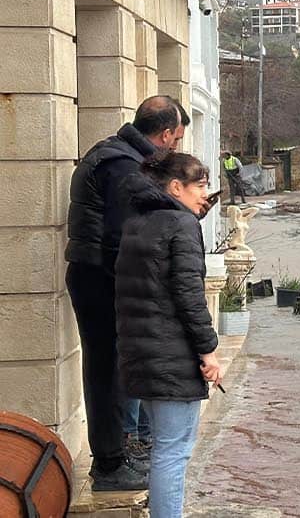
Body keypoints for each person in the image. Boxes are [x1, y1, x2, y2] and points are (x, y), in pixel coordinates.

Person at [65, 95, 192, 491]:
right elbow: (123, 238)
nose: (176, 147)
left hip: (101, 275)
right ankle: (109, 465)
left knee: (118, 369)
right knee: (107, 372)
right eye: (176, 139)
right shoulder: (122, 165)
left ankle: (123, 449)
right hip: (101, 279)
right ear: (166, 133)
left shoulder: (118, 156)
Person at [115, 153, 223, 518]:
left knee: (164, 448)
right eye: (201, 186)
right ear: (176, 187)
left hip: (141, 353)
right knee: (173, 452)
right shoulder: (181, 224)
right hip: (171, 356)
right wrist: (208, 351)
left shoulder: (137, 220)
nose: (205, 195)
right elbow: (189, 295)